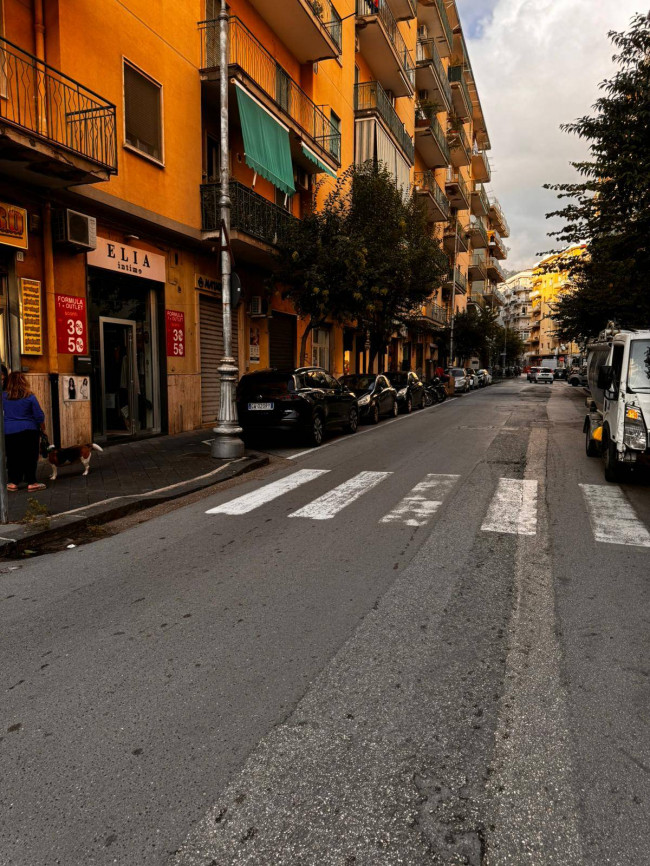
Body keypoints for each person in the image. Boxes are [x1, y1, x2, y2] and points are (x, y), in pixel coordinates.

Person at [3, 372, 46, 491]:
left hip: (9, 431)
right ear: (23, 381)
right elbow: (39, 416)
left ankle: (13, 482)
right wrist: (43, 428)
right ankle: (32, 482)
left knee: (12, 456)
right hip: (29, 430)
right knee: (30, 456)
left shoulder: (3, 397)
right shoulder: (30, 396)